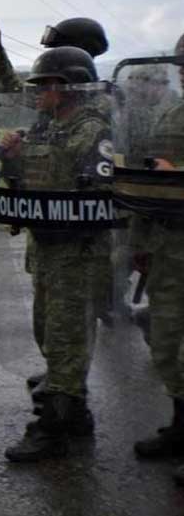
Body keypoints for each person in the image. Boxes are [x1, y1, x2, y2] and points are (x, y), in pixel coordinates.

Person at [0, 47, 112, 462]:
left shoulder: (93, 130)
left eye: (48, 85)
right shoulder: (43, 129)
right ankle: (77, 411)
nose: (40, 92)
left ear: (71, 87)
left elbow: (102, 195)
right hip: (44, 247)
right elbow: (23, 182)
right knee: (47, 330)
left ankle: (53, 428)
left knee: (66, 337)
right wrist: (10, 160)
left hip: (77, 252)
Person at [130, 34, 184, 487]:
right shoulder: (171, 114)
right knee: (166, 343)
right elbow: (149, 186)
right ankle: (180, 426)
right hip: (169, 247)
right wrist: (141, 243)